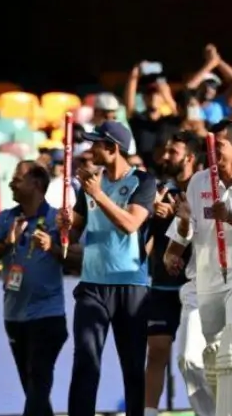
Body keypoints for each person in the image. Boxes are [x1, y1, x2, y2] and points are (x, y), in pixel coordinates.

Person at [164, 119, 232, 415]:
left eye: (220, 146)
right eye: (209, 147)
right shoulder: (199, 181)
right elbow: (180, 237)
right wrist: (174, 249)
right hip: (205, 281)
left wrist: (231, 219)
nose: (212, 153)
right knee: (196, 360)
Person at [61, 121, 157, 416]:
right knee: (86, 361)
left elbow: (130, 224)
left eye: (96, 144)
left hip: (131, 286)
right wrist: (64, 224)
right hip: (92, 285)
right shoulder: (92, 182)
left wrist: (99, 195)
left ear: (113, 149)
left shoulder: (143, 180)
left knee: (132, 366)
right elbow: (74, 233)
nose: (90, 150)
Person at [0, 161, 78, 416]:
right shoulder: (6, 218)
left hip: (48, 315)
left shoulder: (57, 219)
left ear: (36, 183)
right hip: (14, 317)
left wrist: (54, 248)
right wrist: (6, 244)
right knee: (34, 388)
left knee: (38, 379)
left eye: (17, 178)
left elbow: (80, 260)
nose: (11, 183)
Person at [144, 132, 203, 416]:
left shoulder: (204, 191)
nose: (166, 156)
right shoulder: (159, 192)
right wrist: (152, 215)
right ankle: (150, 411)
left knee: (198, 357)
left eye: (174, 152)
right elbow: (147, 243)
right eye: (166, 151)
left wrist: (182, 218)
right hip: (164, 285)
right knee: (156, 350)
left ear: (190, 158)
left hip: (199, 286)